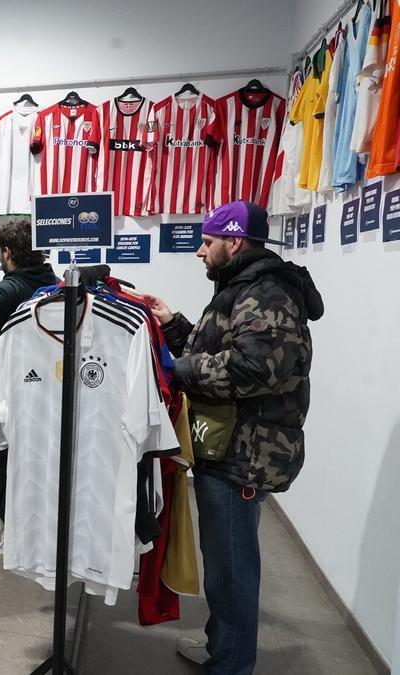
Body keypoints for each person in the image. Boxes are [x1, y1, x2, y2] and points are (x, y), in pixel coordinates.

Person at [142, 202, 323, 675]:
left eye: (208, 242)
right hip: (233, 445)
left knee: (232, 568)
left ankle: (231, 665)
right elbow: (226, 348)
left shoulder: (267, 292)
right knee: (222, 562)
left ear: (235, 241)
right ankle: (222, 647)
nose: (200, 252)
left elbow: (253, 367)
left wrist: (177, 370)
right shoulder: (243, 287)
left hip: (245, 452)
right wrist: (177, 326)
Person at [0, 219, 58, 555]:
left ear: (7, 252)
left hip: (15, 383)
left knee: (0, 452)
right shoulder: (54, 281)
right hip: (49, 382)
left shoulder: (11, 286)